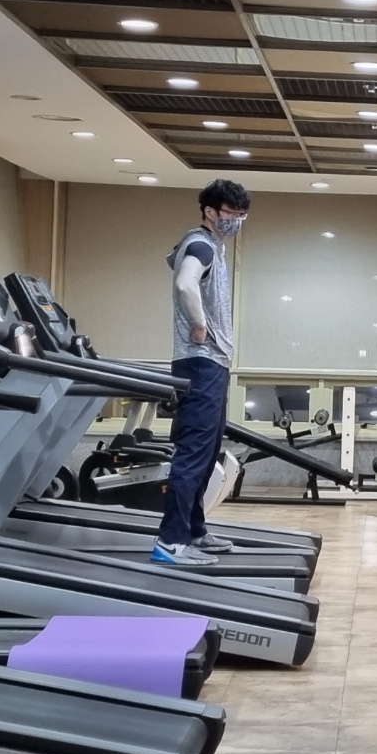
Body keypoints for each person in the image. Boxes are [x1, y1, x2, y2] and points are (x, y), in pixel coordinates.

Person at [153, 179, 250, 565]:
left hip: (212, 362)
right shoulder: (201, 245)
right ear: (209, 211)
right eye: (230, 214)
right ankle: (170, 542)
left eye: (241, 215)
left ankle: (194, 530)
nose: (236, 221)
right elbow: (184, 282)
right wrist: (198, 323)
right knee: (193, 455)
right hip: (200, 361)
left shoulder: (209, 245)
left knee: (207, 454)